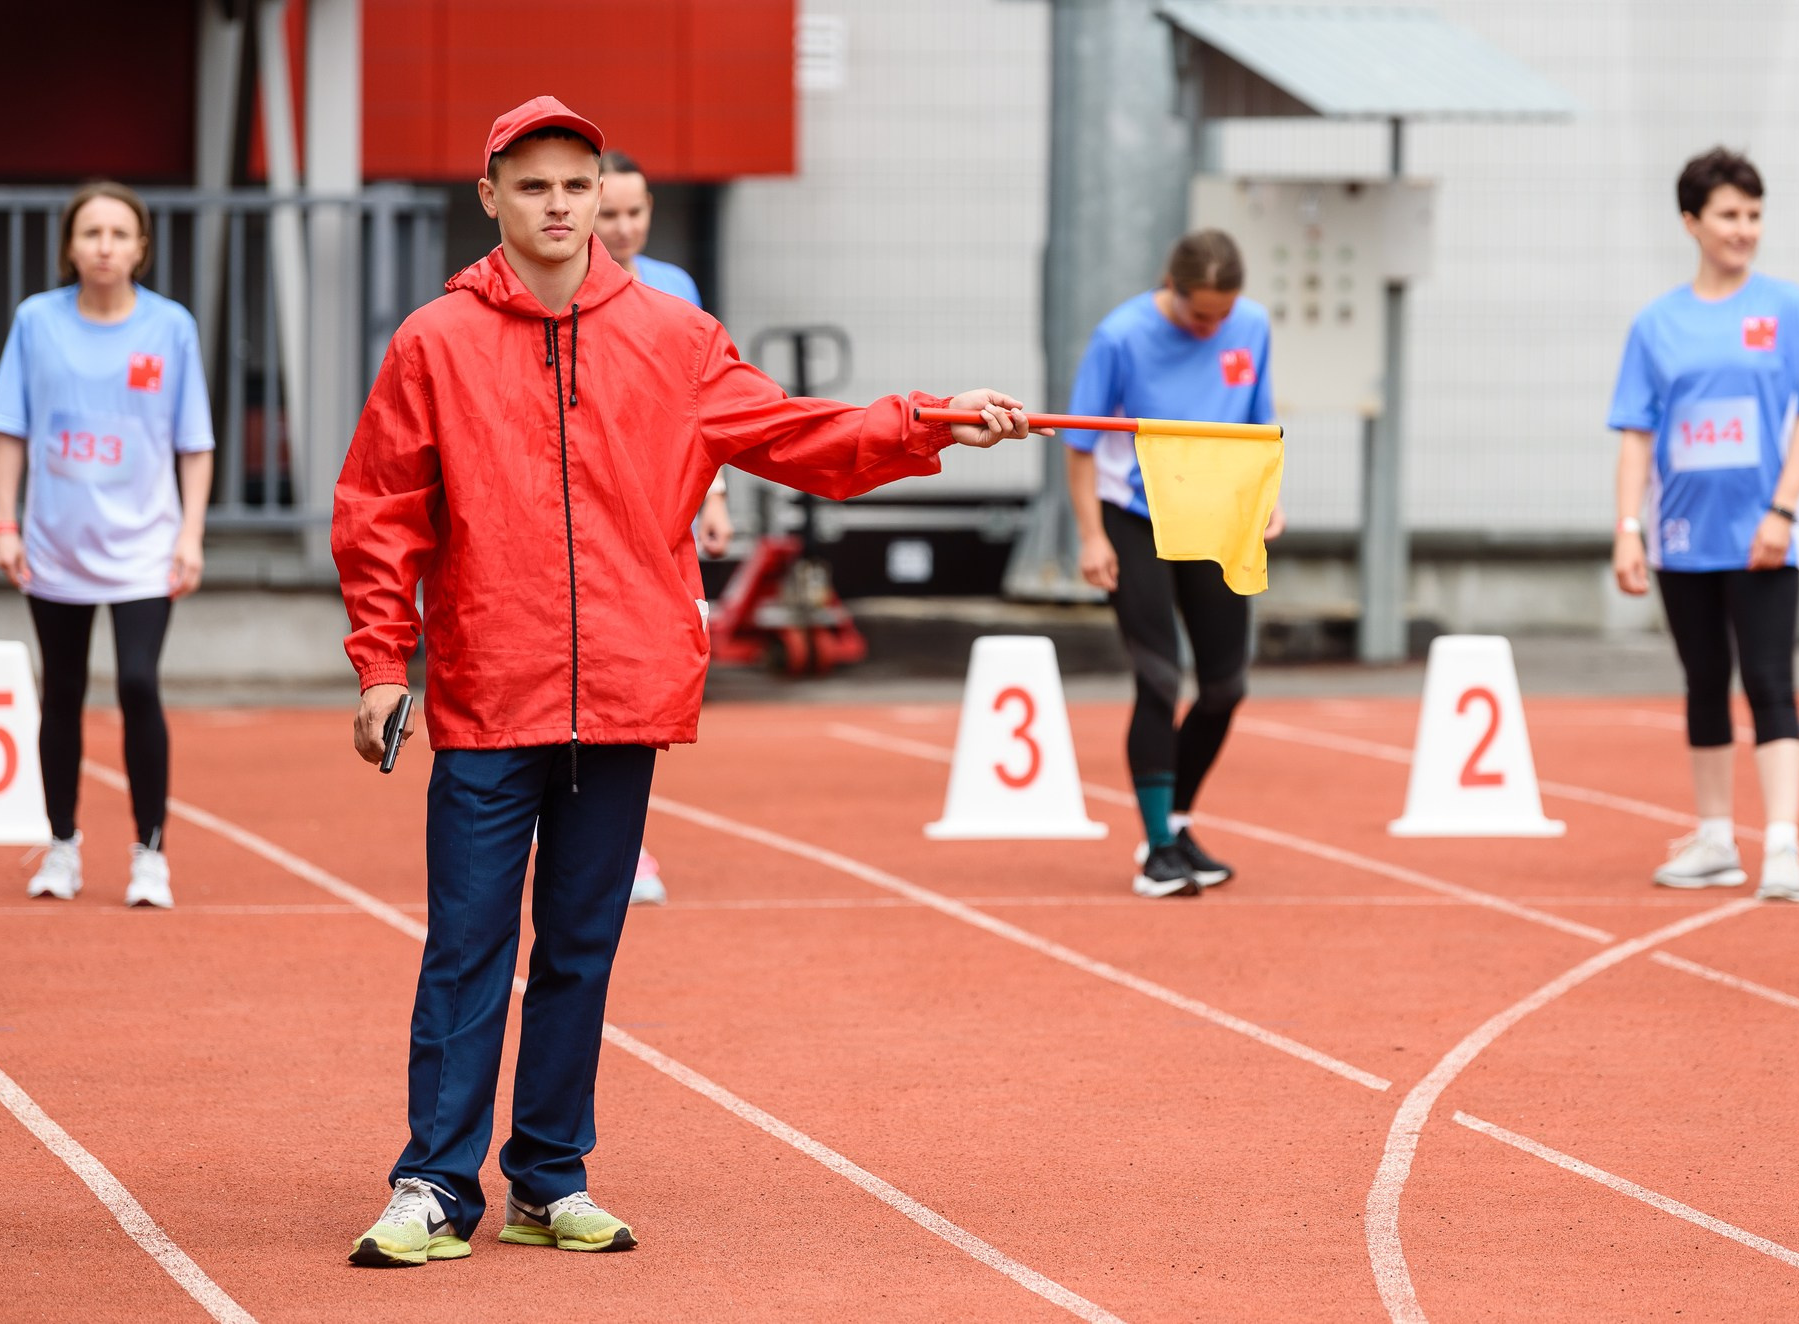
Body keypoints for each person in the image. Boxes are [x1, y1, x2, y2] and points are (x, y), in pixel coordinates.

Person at [336, 95, 1033, 1268]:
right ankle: (433, 1181)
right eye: (535, 186)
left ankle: (547, 1175)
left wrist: (927, 423)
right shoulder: (432, 343)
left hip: (623, 689)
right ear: (491, 197)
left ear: (601, 197)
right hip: (486, 691)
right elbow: (379, 513)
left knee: (579, 945)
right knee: (466, 942)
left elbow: (799, 433)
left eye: (577, 185)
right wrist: (375, 664)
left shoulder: (671, 336)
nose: (559, 208)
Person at [1609, 148, 1799, 903]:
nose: (1744, 230)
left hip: (1763, 535)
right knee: (1704, 681)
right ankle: (1714, 838)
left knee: (1770, 680)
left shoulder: (1789, 309)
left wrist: (1783, 509)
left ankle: (1782, 847)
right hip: (1682, 539)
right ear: (1691, 223)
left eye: (1754, 216)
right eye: (1729, 216)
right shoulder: (1656, 325)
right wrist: (1627, 528)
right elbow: (1637, 433)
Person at [0, 181, 215, 911]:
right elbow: (10, 429)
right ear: (70, 246)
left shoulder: (171, 327)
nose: (105, 246)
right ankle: (62, 846)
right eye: (92, 233)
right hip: (55, 545)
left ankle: (150, 854)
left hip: (145, 546)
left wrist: (191, 533)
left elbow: (194, 443)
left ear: (141, 248)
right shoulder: (35, 322)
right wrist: (3, 522)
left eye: (120, 233)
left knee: (140, 684)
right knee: (63, 692)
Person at [1064, 230, 1280, 900]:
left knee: (1226, 686)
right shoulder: (1119, 337)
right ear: (1172, 287)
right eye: (1199, 316)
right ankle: (1157, 847)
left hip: (1216, 516)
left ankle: (1178, 821)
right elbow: (1079, 443)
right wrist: (1091, 538)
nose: (1211, 327)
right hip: (1134, 518)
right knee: (1159, 678)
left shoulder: (1252, 326)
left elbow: (1259, 425)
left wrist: (1270, 504)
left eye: (1221, 315)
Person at [592, 147, 729, 906]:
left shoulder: (675, 289)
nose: (622, 227)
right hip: (594, 516)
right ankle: (592, 838)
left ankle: (624, 842)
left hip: (663, 516)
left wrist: (716, 499)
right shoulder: (563, 286)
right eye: (608, 213)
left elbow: (705, 406)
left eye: (634, 212)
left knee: (648, 677)